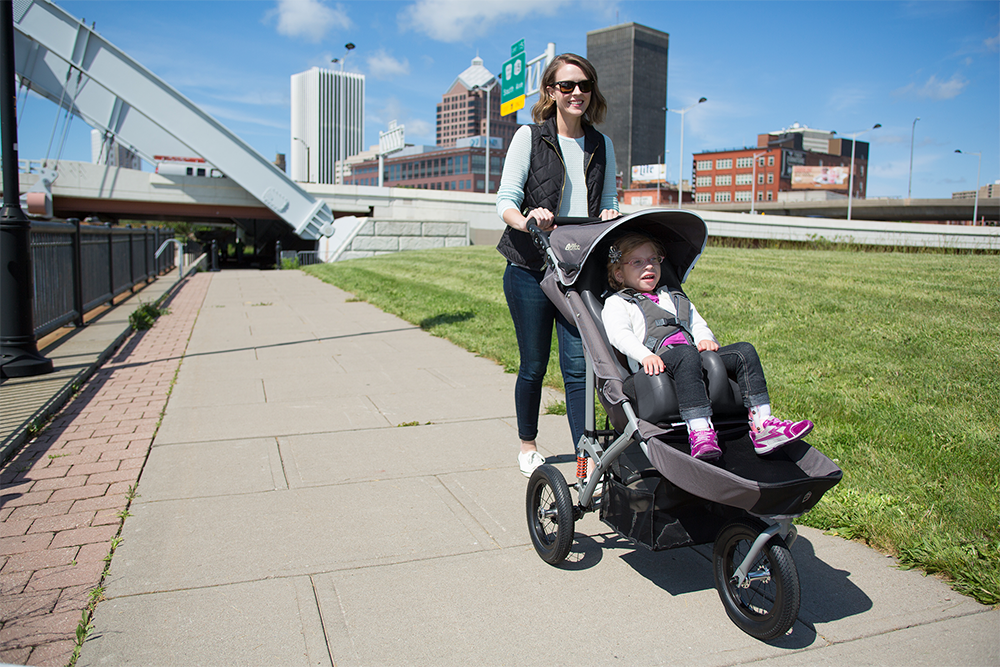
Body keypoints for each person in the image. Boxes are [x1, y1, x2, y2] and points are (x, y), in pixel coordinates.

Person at [495, 53, 619, 477]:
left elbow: (608, 204)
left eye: (584, 85)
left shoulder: (601, 144)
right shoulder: (530, 137)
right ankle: (528, 444)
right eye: (567, 86)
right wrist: (528, 219)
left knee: (579, 368)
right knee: (533, 363)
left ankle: (585, 463)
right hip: (531, 267)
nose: (577, 93)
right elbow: (505, 202)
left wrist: (609, 216)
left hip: (577, 270)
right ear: (551, 91)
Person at [602, 232, 813, 460]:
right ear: (619, 274)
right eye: (637, 262)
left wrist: (704, 338)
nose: (649, 266)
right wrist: (644, 356)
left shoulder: (673, 297)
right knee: (685, 354)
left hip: (690, 357)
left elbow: (697, 324)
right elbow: (620, 335)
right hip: (656, 366)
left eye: (654, 259)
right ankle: (700, 431)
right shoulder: (618, 303)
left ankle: (763, 426)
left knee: (744, 351)